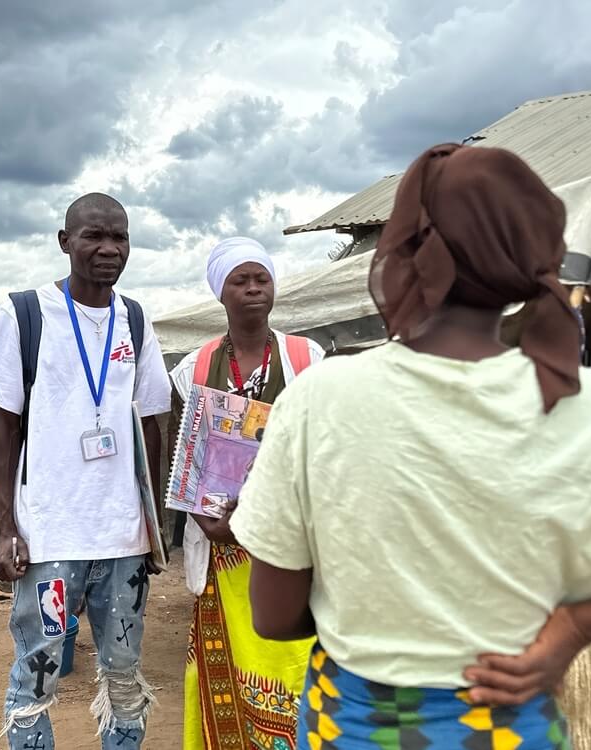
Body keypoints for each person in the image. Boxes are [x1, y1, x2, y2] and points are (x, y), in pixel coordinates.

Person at [230, 145, 591, 749]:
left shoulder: (320, 400)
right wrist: (579, 622)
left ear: (406, 253)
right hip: (515, 730)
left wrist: (372, 599)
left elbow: (274, 618)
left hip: (353, 729)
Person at [0, 193, 171, 750]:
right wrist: (5, 528)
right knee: (37, 673)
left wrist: (153, 526)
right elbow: (4, 428)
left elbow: (151, 423)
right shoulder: (25, 314)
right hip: (49, 537)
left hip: (122, 540)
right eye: (93, 236)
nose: (109, 249)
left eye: (119, 237)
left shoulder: (134, 319)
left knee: (124, 675)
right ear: (65, 241)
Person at [168, 236, 325, 750]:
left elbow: (323, 443)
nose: (254, 288)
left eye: (262, 278)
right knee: (229, 668)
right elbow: (186, 455)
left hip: (289, 540)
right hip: (221, 546)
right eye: (240, 280)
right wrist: (205, 521)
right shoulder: (193, 367)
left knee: (294, 662)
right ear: (221, 292)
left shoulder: (306, 357)